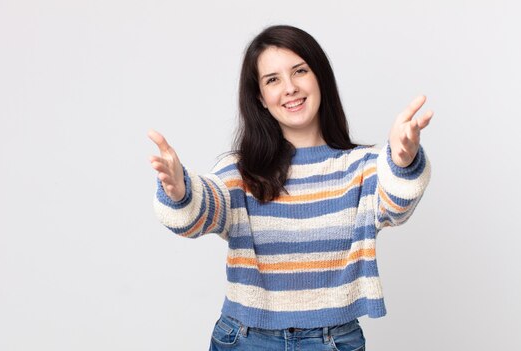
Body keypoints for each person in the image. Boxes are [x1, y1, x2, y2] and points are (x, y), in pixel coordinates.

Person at [148, 25, 432, 351]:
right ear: (260, 98)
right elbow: (203, 211)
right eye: (273, 80)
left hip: (333, 341)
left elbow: (396, 206)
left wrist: (402, 160)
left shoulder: (363, 167)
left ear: (319, 77)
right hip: (245, 340)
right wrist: (180, 190)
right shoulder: (239, 170)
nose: (290, 88)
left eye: (300, 71)